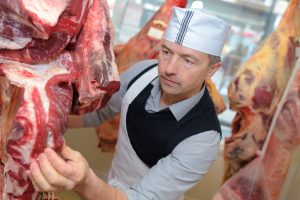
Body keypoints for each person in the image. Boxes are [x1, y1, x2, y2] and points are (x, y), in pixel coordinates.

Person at [26, 3, 231, 200]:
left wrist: (85, 182)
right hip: (110, 185)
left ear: (211, 70)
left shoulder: (203, 138)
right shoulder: (143, 72)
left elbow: (138, 197)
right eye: (166, 52)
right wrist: (41, 115)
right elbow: (98, 113)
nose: (169, 68)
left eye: (188, 60)